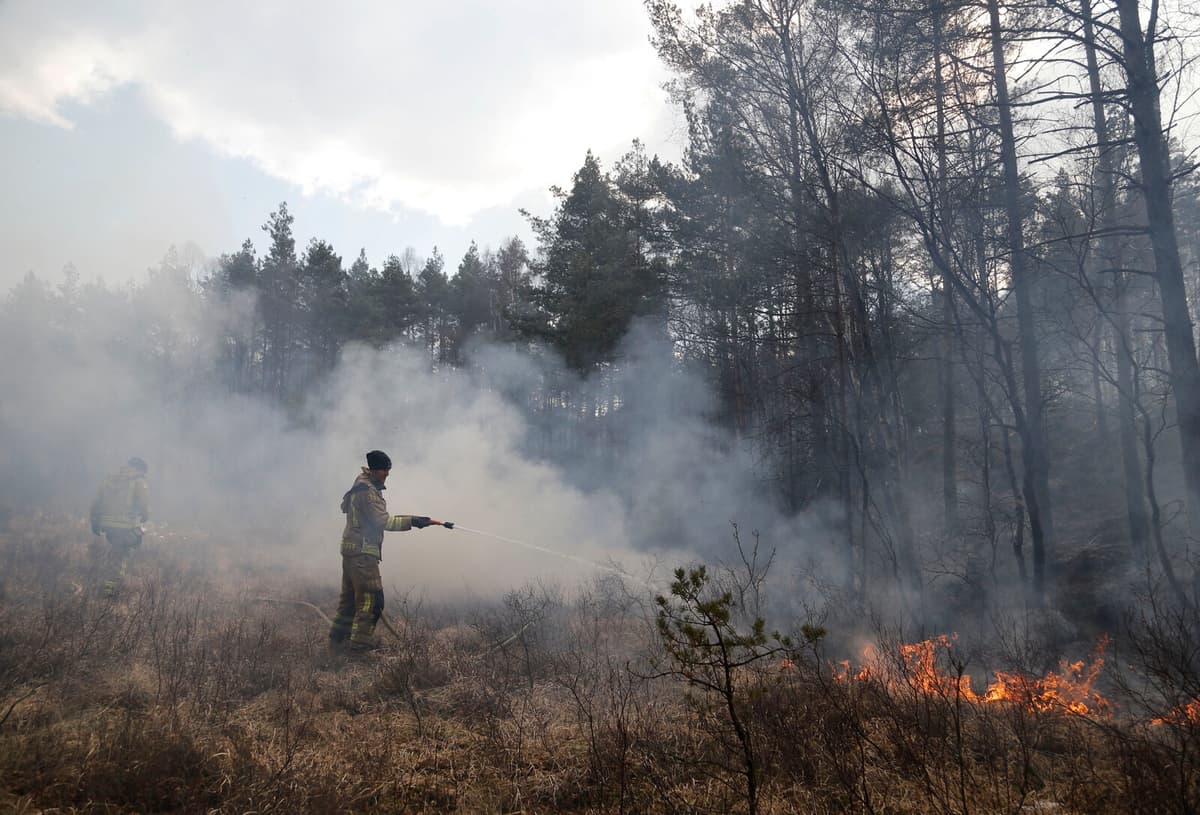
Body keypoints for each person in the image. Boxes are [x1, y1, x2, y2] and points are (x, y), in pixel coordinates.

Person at [329, 450, 453, 653]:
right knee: (372, 602)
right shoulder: (368, 492)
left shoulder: (361, 483)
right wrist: (413, 522)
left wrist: (416, 518)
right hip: (363, 555)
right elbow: (384, 521)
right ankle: (358, 649)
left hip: (352, 552)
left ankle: (337, 644)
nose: (387, 474)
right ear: (375, 470)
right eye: (385, 470)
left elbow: (376, 516)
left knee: (349, 602)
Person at [90, 457, 150, 598]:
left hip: (108, 525)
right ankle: (110, 591)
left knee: (115, 554)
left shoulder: (109, 479)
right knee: (120, 558)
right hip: (125, 526)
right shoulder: (139, 481)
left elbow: (96, 502)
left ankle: (106, 584)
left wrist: (95, 521)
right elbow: (143, 503)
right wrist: (145, 515)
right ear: (140, 469)